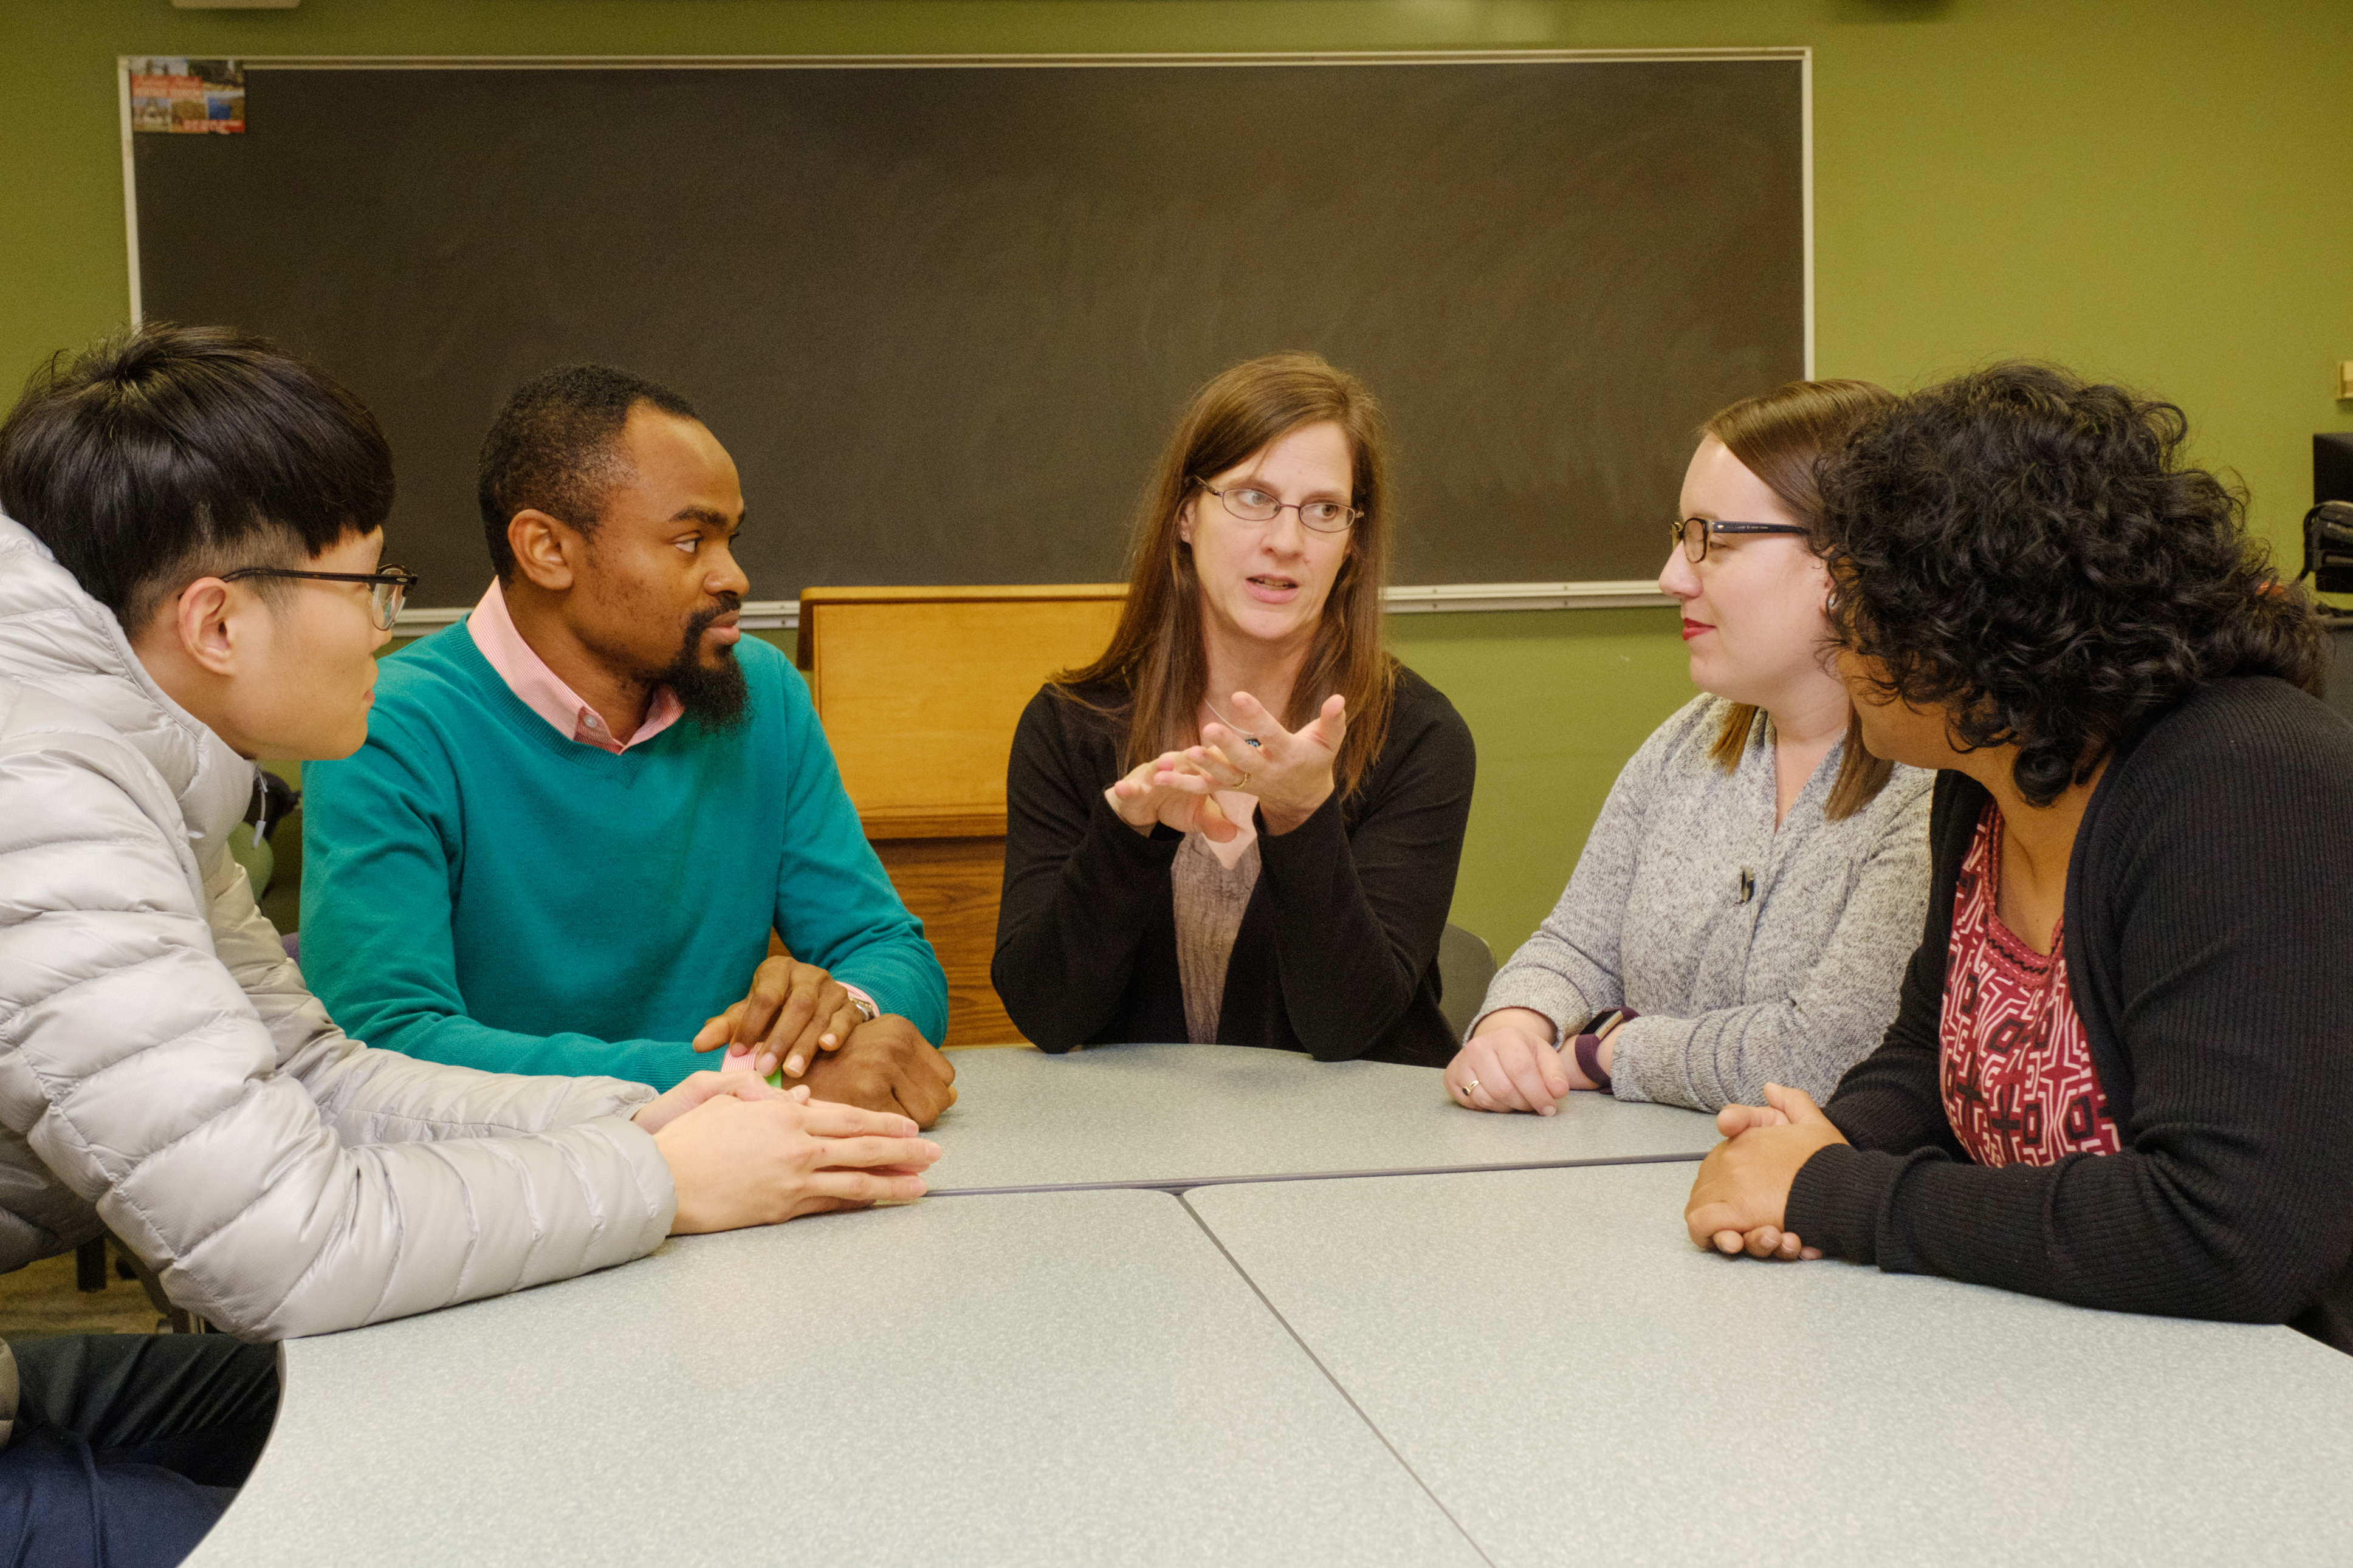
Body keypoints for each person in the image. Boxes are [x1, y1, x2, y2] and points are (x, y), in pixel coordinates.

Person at [0, 324, 938, 1559]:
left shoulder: (146, 784)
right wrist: (667, 1179)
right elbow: (285, 1246)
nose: (386, 627)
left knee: (428, 1443)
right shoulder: (46, 797)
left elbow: (317, 1076)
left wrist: (645, 1115)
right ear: (218, 622)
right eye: (367, 585)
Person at [1683, 363, 2353, 1352]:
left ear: (1971, 617)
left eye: (1860, 596)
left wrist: (1838, 1193)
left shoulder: (2245, 783)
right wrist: (1828, 1140)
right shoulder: (1982, 773)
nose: (1834, 633)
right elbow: (1928, 1053)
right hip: (2092, 1368)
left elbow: (2232, 1231)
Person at [298, 365, 957, 1126]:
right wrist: (739, 1078)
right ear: (547, 550)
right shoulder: (387, 725)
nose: (733, 576)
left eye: (730, 539)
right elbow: (387, 1047)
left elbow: (886, 946)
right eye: (689, 540)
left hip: (758, 1182)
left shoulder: (763, 695)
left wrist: (842, 1015)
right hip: (516, 1201)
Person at [1448, 381, 1932, 1115]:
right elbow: (1575, 945)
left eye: (1716, 541)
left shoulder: (1933, 783)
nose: (1672, 576)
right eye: (1681, 536)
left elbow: (1816, 1058)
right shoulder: (1692, 738)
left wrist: (1604, 1050)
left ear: (1846, 563)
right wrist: (1514, 1025)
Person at [994, 352, 1475, 1065]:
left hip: (1350, 1161)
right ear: (1186, 515)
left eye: (1323, 511)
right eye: (1252, 497)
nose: (1285, 541)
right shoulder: (1070, 727)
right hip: (1138, 1159)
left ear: (1351, 543)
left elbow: (1347, 1028)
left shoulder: (1418, 738)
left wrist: (1301, 817)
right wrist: (1126, 836)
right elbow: (1046, 1013)